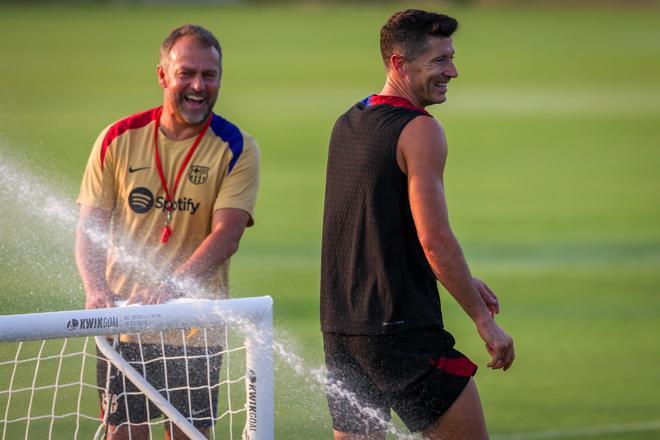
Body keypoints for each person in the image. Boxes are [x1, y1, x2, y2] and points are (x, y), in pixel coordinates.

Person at [320, 9, 514, 440]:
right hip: (400, 331)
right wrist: (485, 322)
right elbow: (434, 238)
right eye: (440, 60)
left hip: (343, 330)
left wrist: (459, 277)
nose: (453, 71)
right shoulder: (421, 130)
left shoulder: (349, 121)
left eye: (452, 57)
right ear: (398, 63)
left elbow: (374, 235)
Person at [75, 24, 260, 439]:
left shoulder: (236, 147)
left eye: (209, 75)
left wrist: (171, 286)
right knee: (124, 435)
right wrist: (95, 289)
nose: (198, 86)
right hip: (124, 323)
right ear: (163, 75)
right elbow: (90, 225)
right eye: (186, 73)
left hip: (194, 325)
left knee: (188, 435)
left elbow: (227, 235)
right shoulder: (119, 138)